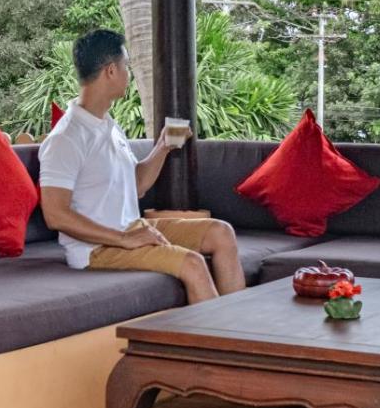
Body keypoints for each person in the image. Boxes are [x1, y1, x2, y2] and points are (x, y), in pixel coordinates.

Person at [39, 29, 245, 304]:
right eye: (126, 66)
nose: (130, 74)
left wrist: (162, 147)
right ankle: (221, 333)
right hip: (96, 250)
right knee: (192, 264)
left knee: (221, 233)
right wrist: (124, 239)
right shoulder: (67, 137)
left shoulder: (109, 125)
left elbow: (136, 186)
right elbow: (56, 215)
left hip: (131, 227)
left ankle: (239, 325)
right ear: (111, 71)